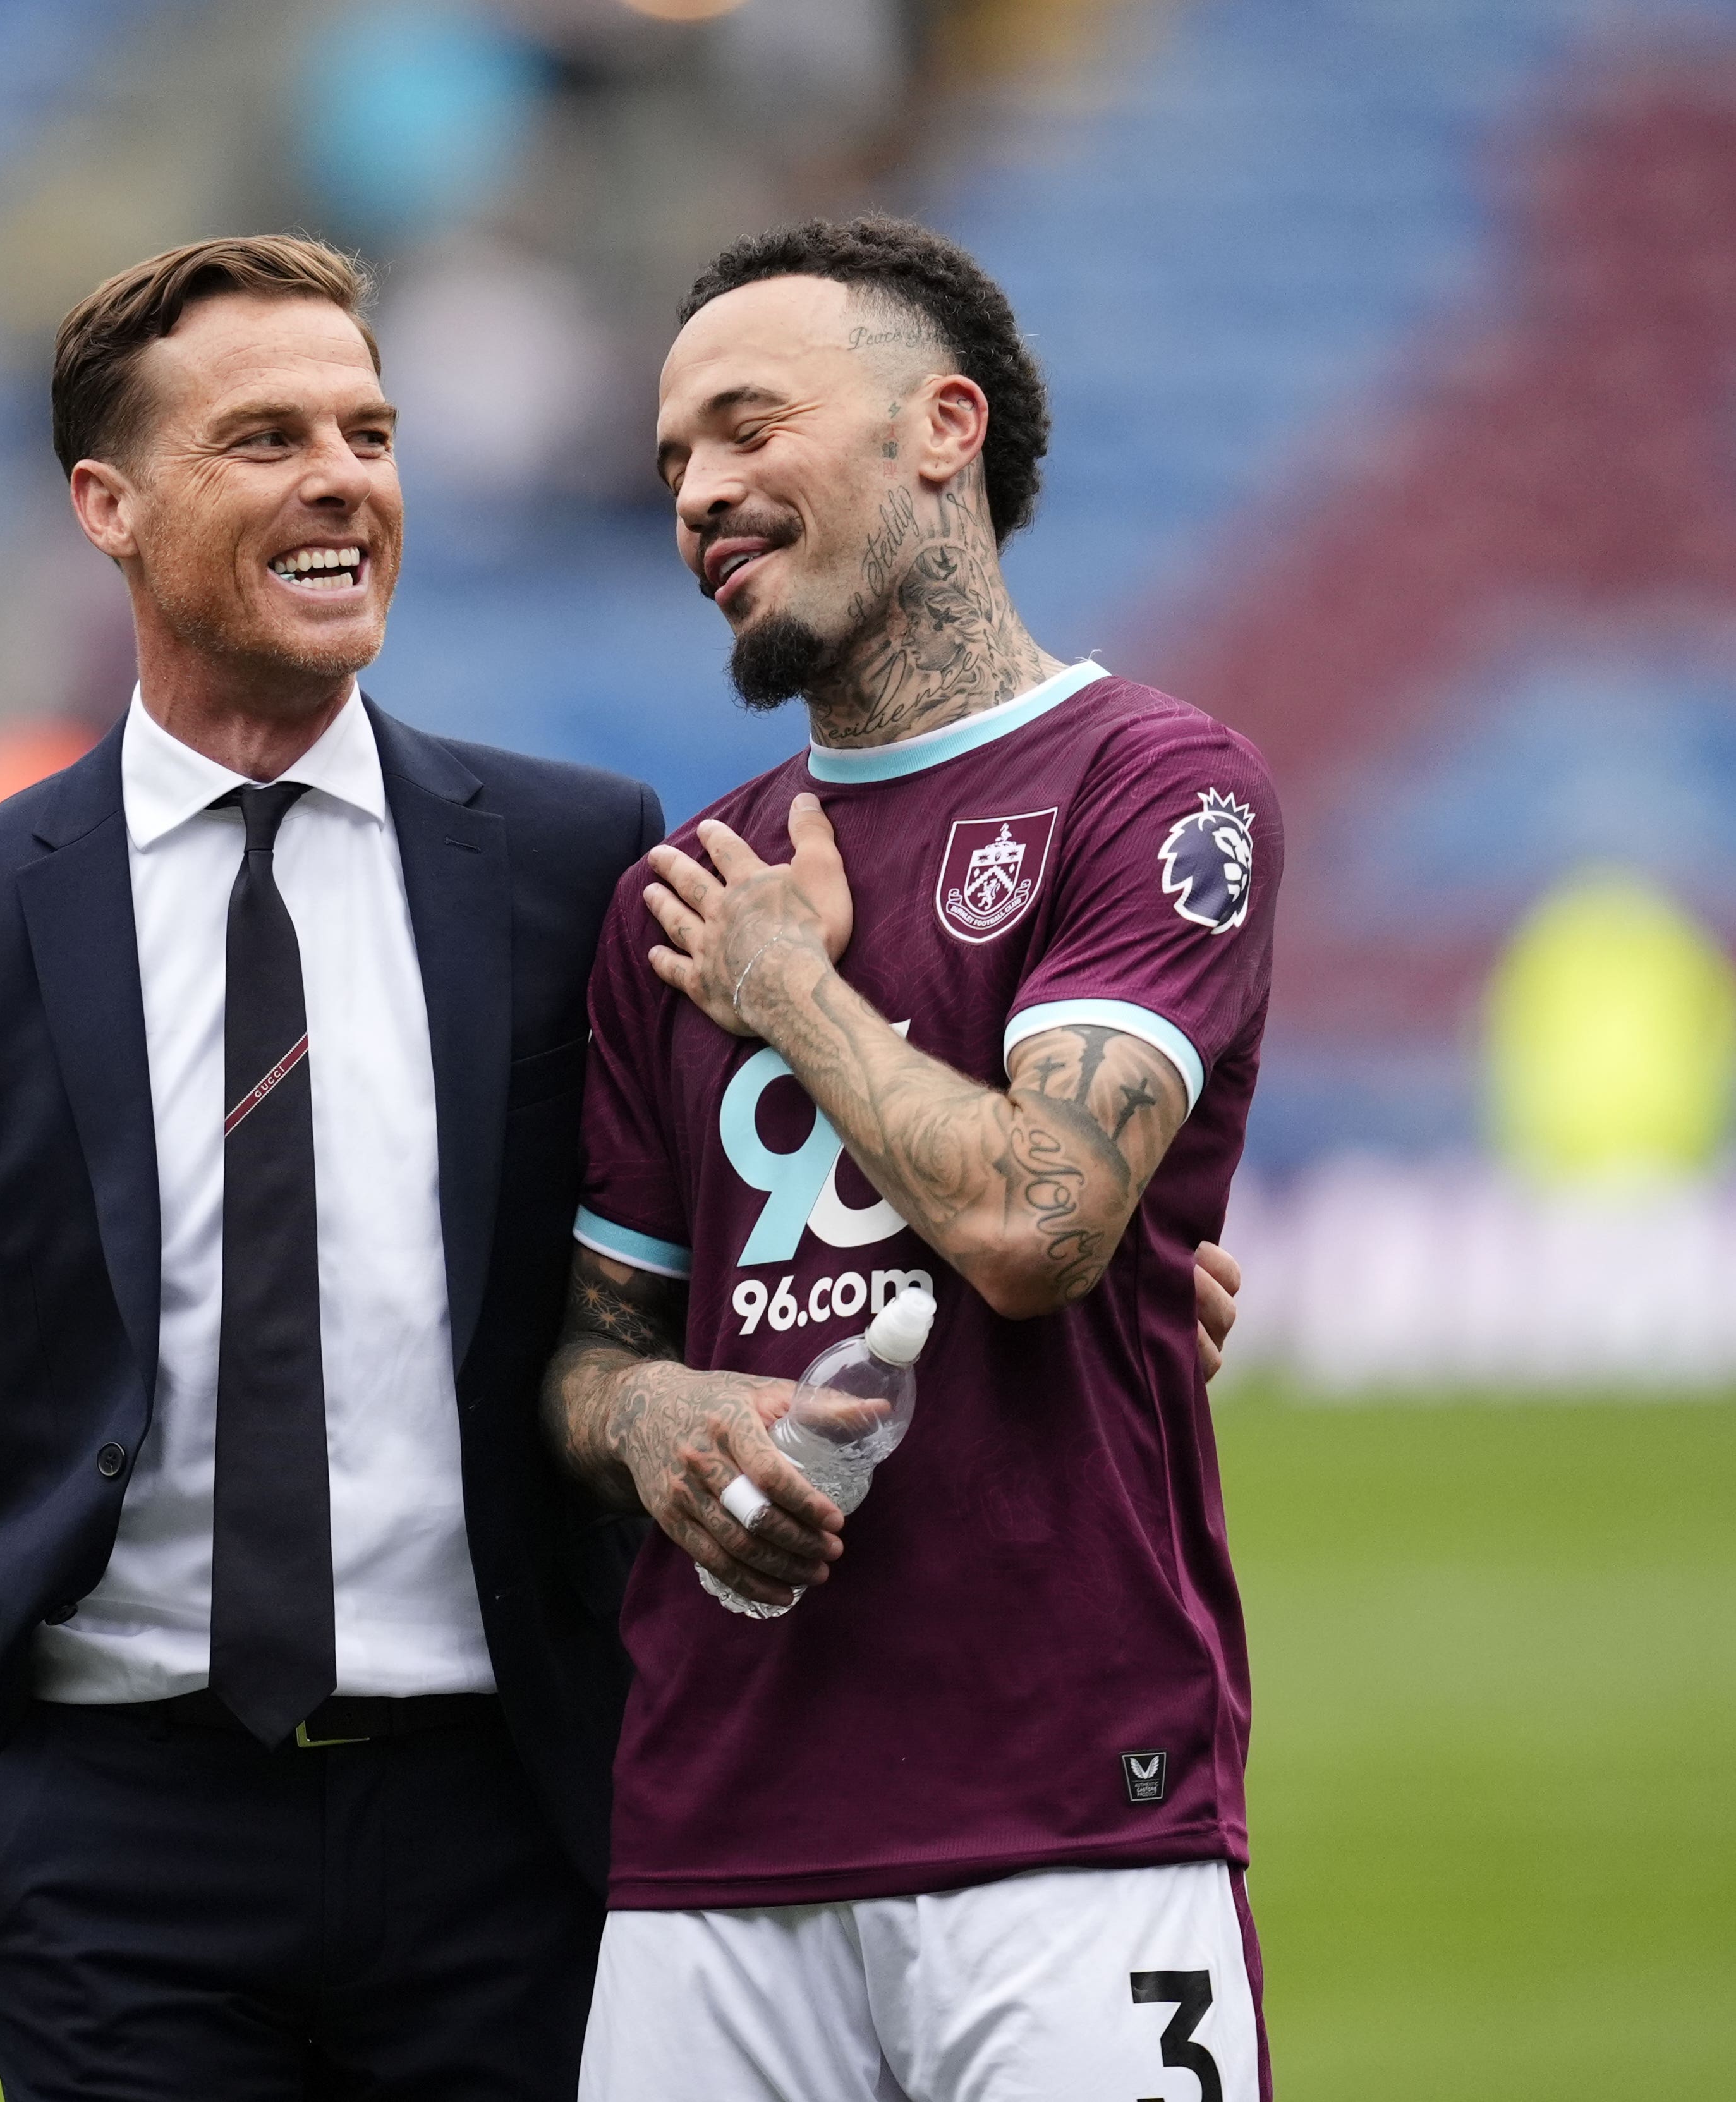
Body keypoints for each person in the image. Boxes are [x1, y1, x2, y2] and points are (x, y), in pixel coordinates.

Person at [0, 235, 661, 2098]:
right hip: (108, 1847)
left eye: (368, 429)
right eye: (262, 437)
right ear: (106, 504)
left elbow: (706, 1265)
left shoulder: (575, 861)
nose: (342, 476)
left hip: (509, 1831)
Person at [547, 215, 1276, 2101]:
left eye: (746, 425)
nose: (699, 492)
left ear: (939, 426)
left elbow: (1039, 1223)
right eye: (670, 465)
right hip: (709, 1848)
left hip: (1070, 1826)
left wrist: (797, 994)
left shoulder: (1153, 788)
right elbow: (584, 1349)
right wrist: (644, 1422)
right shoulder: (677, 895)